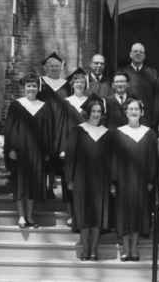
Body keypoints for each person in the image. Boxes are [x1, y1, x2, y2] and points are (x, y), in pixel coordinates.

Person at [65, 95, 114, 261]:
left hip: (101, 180)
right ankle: (85, 249)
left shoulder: (107, 134)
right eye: (93, 111)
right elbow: (70, 156)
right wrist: (69, 179)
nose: (96, 114)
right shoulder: (78, 131)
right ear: (88, 112)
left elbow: (111, 160)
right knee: (84, 215)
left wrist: (112, 181)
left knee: (97, 216)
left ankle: (94, 250)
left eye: (99, 111)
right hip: (81, 179)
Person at [4, 73, 52, 228]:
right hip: (20, 151)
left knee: (33, 184)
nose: (31, 88)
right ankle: (21, 216)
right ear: (24, 88)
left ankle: (30, 216)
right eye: (28, 86)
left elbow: (47, 131)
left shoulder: (43, 107)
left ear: (38, 89)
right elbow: (9, 129)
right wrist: (10, 148)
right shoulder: (16, 105)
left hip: (37, 152)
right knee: (20, 183)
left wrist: (46, 151)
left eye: (34, 86)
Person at [112, 98, 157, 261]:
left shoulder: (149, 133)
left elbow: (153, 158)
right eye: (130, 109)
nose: (133, 112)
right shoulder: (118, 133)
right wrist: (113, 181)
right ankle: (125, 248)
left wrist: (151, 179)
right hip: (123, 181)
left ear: (141, 112)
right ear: (126, 112)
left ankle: (134, 248)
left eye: (136, 109)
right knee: (124, 214)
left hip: (141, 182)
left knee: (138, 213)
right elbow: (114, 159)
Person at [37, 52, 71, 193]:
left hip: (61, 125)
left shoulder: (67, 85)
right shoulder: (40, 83)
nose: (54, 68)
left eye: (57, 66)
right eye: (51, 66)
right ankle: (44, 189)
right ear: (46, 67)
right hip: (45, 125)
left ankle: (55, 188)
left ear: (61, 67)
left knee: (59, 155)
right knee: (45, 154)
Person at [60, 68, 89, 227]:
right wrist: (63, 147)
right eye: (77, 81)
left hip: (86, 146)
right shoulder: (66, 102)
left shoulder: (90, 101)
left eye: (82, 82)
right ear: (72, 84)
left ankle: (82, 213)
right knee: (69, 181)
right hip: (70, 146)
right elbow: (62, 127)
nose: (79, 84)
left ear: (86, 84)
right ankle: (70, 214)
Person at [121, 43, 158, 127]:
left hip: (147, 118)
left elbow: (156, 97)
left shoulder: (152, 73)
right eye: (135, 51)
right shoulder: (123, 73)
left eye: (141, 52)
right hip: (127, 117)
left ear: (144, 56)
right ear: (130, 54)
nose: (138, 54)